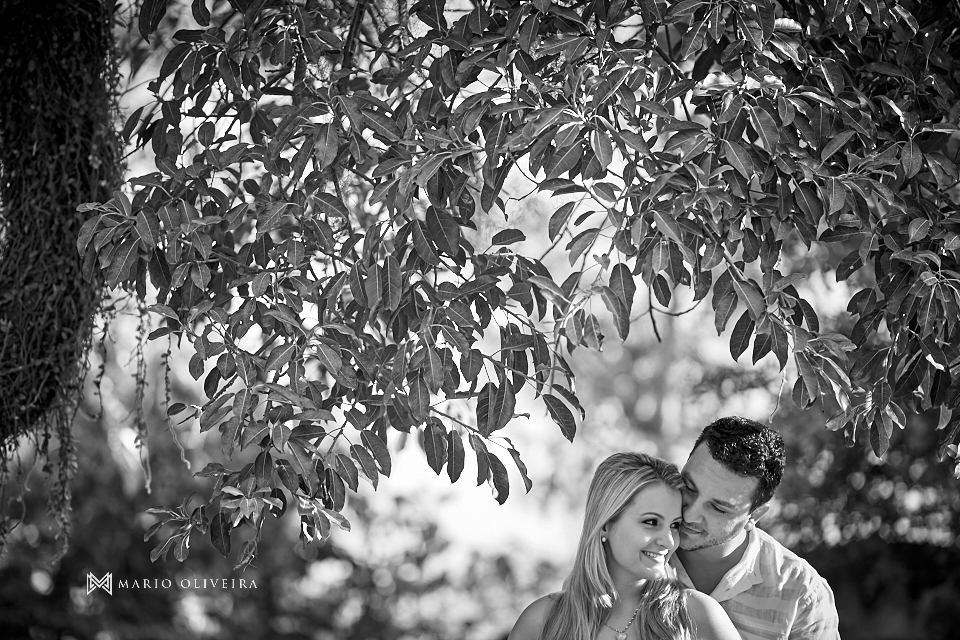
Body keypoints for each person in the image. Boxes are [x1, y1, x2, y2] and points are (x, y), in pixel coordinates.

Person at [509, 452, 741, 640]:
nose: (669, 540)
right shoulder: (541, 621)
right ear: (606, 524)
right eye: (651, 522)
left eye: (674, 525)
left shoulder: (697, 613)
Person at [673, 416, 840, 640]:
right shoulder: (632, 553)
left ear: (755, 515)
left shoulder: (803, 593)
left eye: (719, 509)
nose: (690, 513)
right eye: (689, 487)